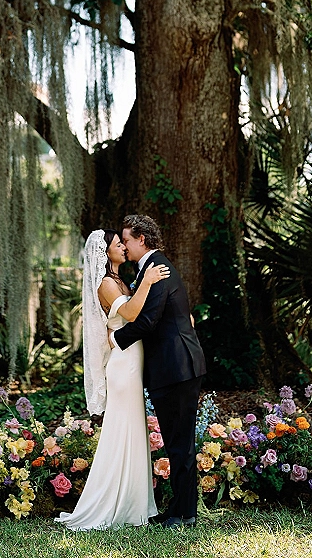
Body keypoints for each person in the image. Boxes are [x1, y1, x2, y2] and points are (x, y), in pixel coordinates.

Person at [56, 228, 170, 530]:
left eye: (123, 242)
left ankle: (134, 503)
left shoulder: (120, 280)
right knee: (122, 429)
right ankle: (111, 503)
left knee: (134, 428)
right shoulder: (106, 283)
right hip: (122, 364)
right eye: (117, 243)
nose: (122, 246)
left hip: (133, 359)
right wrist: (147, 281)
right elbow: (132, 314)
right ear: (105, 252)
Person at [110, 215, 207, 529]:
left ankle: (186, 514)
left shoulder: (157, 269)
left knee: (180, 443)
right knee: (175, 441)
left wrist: (115, 339)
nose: (124, 246)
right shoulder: (149, 270)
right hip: (172, 368)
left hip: (178, 367)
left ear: (140, 238)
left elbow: (149, 321)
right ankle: (178, 508)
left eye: (126, 240)